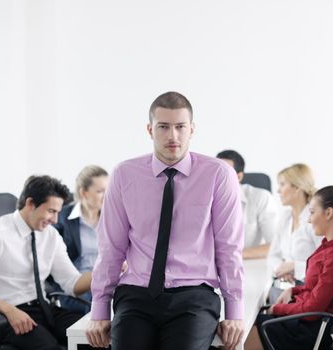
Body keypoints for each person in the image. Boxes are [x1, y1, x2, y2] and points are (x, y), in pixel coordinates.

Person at [86, 91, 245, 350]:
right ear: (150, 129)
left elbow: (229, 248)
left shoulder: (218, 175)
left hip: (193, 296)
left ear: (192, 129)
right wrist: (100, 308)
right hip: (136, 294)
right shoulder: (124, 175)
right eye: (164, 127)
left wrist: (234, 311)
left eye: (180, 127)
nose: (173, 136)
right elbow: (110, 248)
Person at [244, 186, 333, 350]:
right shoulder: (330, 246)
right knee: (242, 325)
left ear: (328, 213)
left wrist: (276, 308)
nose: (308, 219)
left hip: (306, 331)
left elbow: (313, 309)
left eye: (312, 212)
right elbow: (315, 288)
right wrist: (293, 291)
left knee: (241, 332)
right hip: (301, 321)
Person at [0, 175, 92, 350]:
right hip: (7, 313)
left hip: (44, 308)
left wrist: (105, 271)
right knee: (49, 347)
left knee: (93, 337)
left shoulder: (50, 235)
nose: (55, 220)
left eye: (58, 212)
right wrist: (7, 309)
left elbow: (72, 284)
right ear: (30, 204)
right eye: (51, 211)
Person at [54, 165, 109, 314]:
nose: (107, 195)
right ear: (83, 192)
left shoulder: (112, 218)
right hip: (79, 285)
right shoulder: (60, 218)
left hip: (108, 281)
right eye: (100, 191)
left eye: (108, 190)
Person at [267, 164, 322, 296]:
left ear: (297, 187)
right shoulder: (285, 217)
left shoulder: (315, 220)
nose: (278, 190)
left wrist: (294, 267)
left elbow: (327, 265)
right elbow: (272, 256)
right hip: (289, 287)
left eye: (282, 184)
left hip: (313, 291)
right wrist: (281, 269)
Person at [217, 150, 278, 259]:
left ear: (239, 177)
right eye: (217, 172)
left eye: (225, 173)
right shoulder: (204, 198)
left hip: (249, 264)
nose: (218, 178)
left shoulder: (261, 197)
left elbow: (276, 245)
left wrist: (232, 256)